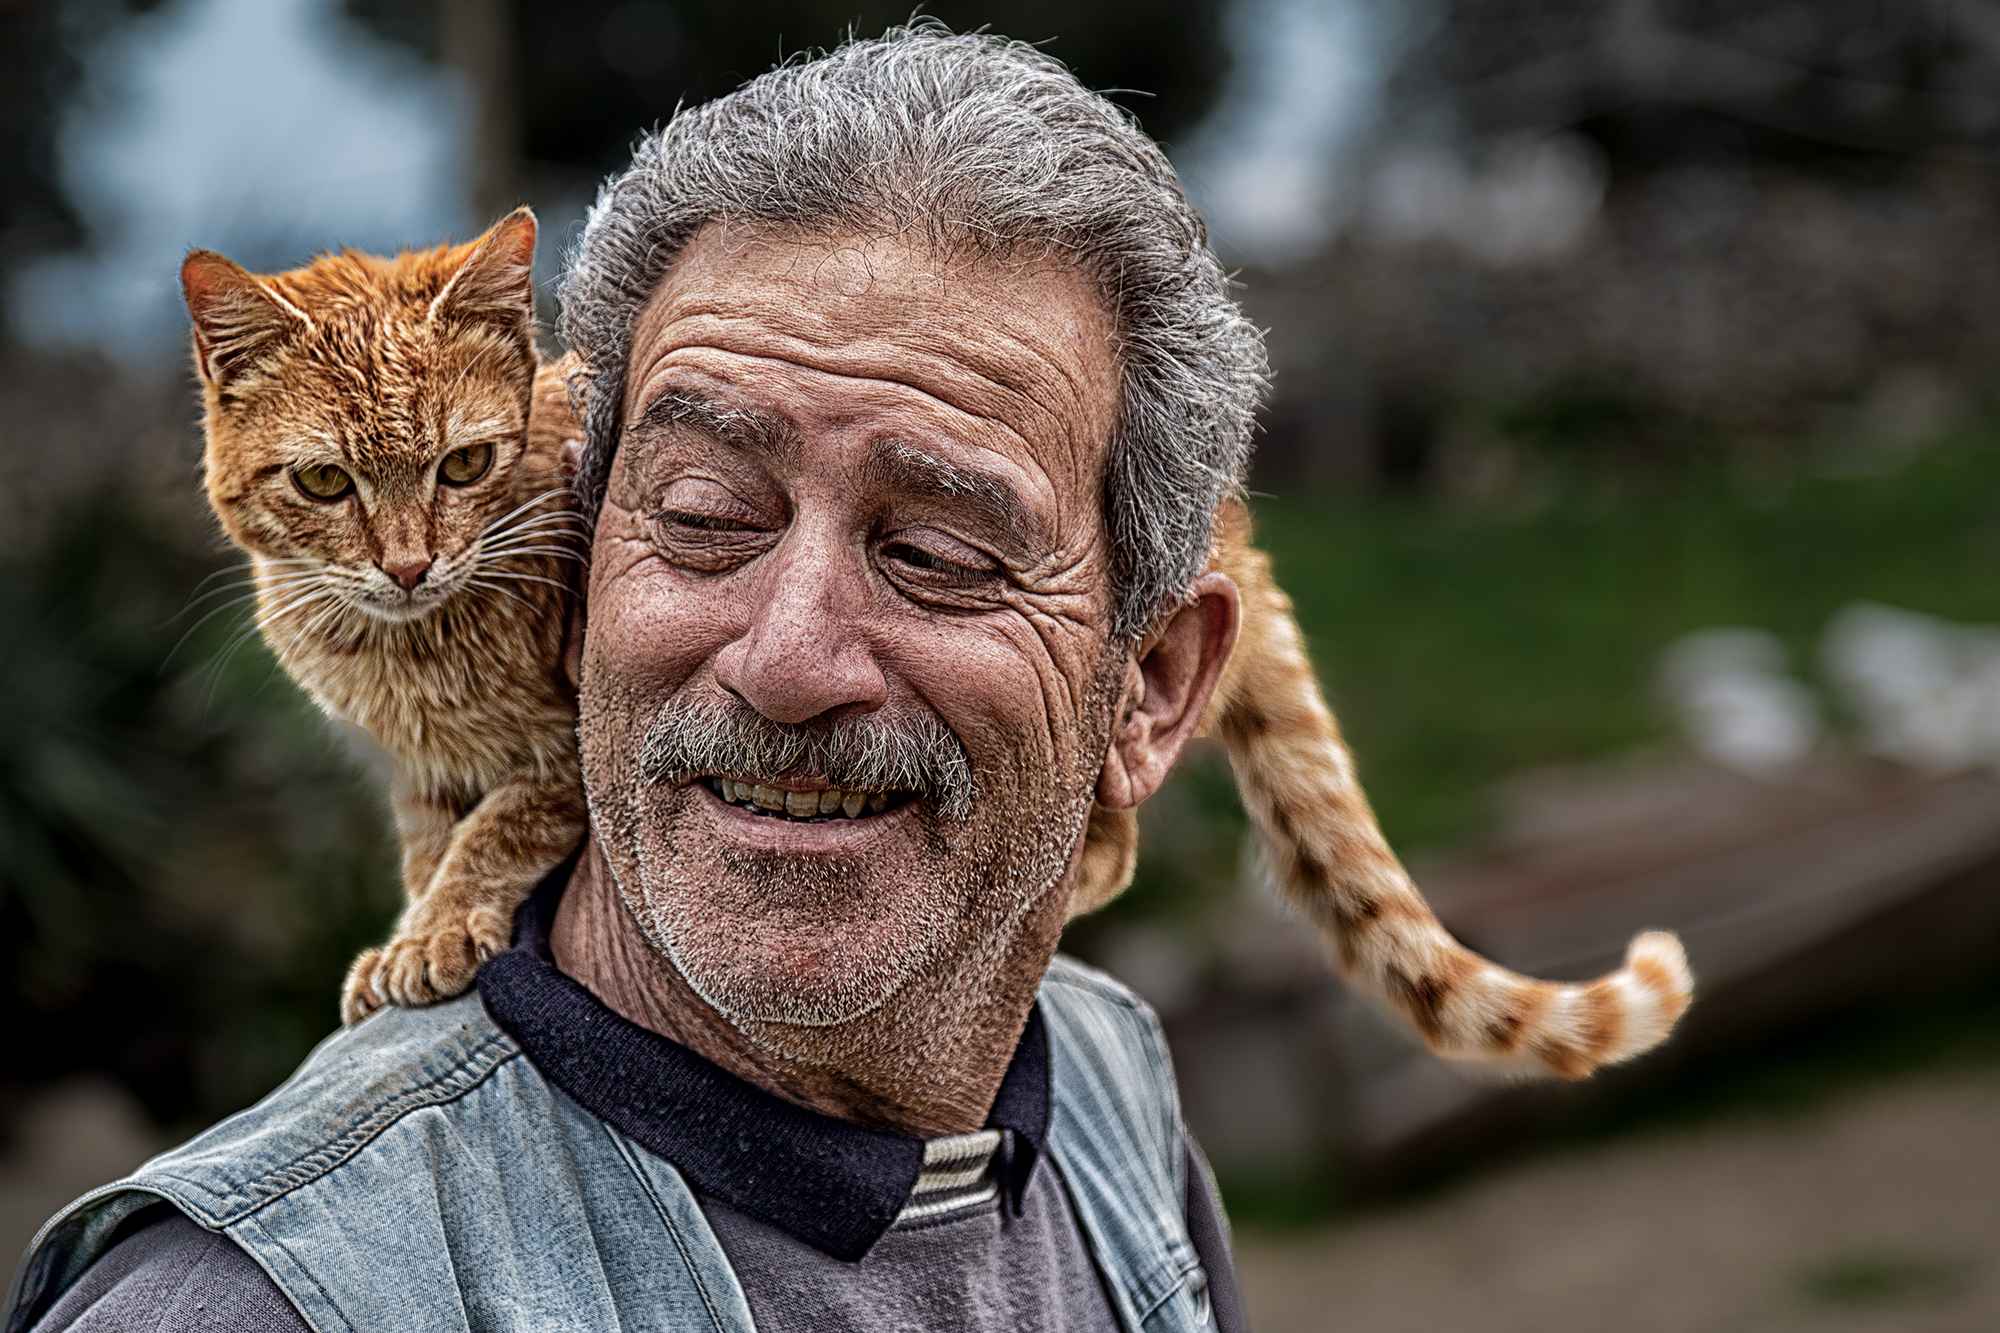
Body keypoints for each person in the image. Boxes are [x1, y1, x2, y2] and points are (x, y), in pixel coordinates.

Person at [5, 27, 1266, 1333]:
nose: (787, 660)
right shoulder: (252, 1304)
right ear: (575, 583)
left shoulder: (1110, 1099)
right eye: (708, 512)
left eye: (938, 551)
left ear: (1153, 688)